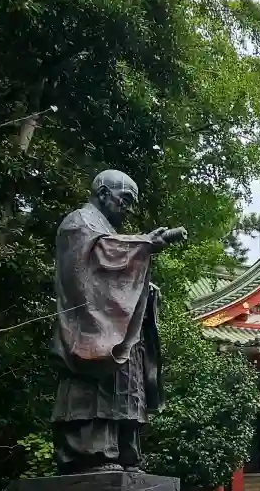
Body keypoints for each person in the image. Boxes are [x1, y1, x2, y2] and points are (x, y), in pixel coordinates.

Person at [50, 169, 186, 473]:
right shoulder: (79, 223)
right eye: (124, 199)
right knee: (95, 388)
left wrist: (142, 286)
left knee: (126, 388)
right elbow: (98, 262)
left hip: (121, 328)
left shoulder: (103, 228)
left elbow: (117, 263)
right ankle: (92, 453)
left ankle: (125, 451)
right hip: (93, 327)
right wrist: (145, 244)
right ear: (102, 193)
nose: (128, 208)